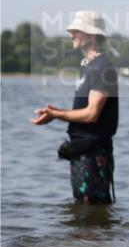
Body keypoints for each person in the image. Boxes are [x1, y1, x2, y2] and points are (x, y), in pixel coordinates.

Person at [31, 11, 118, 204]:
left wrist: (56, 114)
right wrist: (56, 113)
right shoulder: (89, 66)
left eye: (77, 30)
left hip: (94, 153)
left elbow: (92, 114)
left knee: (92, 208)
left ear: (92, 35)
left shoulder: (103, 68)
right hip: (81, 149)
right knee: (83, 210)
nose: (71, 34)